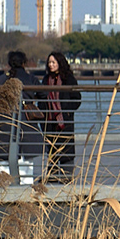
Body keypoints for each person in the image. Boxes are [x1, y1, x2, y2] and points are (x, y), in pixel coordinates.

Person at [0, 51, 41, 173]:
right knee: (26, 163)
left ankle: (3, 185)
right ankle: (26, 187)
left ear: (9, 63)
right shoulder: (31, 79)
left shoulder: (3, 79)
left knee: (3, 160)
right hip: (27, 123)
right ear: (24, 63)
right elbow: (44, 94)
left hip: (6, 121)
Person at [38, 52, 83, 183]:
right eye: (49, 62)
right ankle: (51, 179)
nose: (51, 65)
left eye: (53, 62)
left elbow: (77, 98)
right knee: (52, 150)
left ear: (59, 63)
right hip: (50, 121)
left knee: (66, 150)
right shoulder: (46, 79)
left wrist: (67, 111)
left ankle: (66, 179)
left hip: (64, 121)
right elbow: (42, 96)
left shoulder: (68, 79)